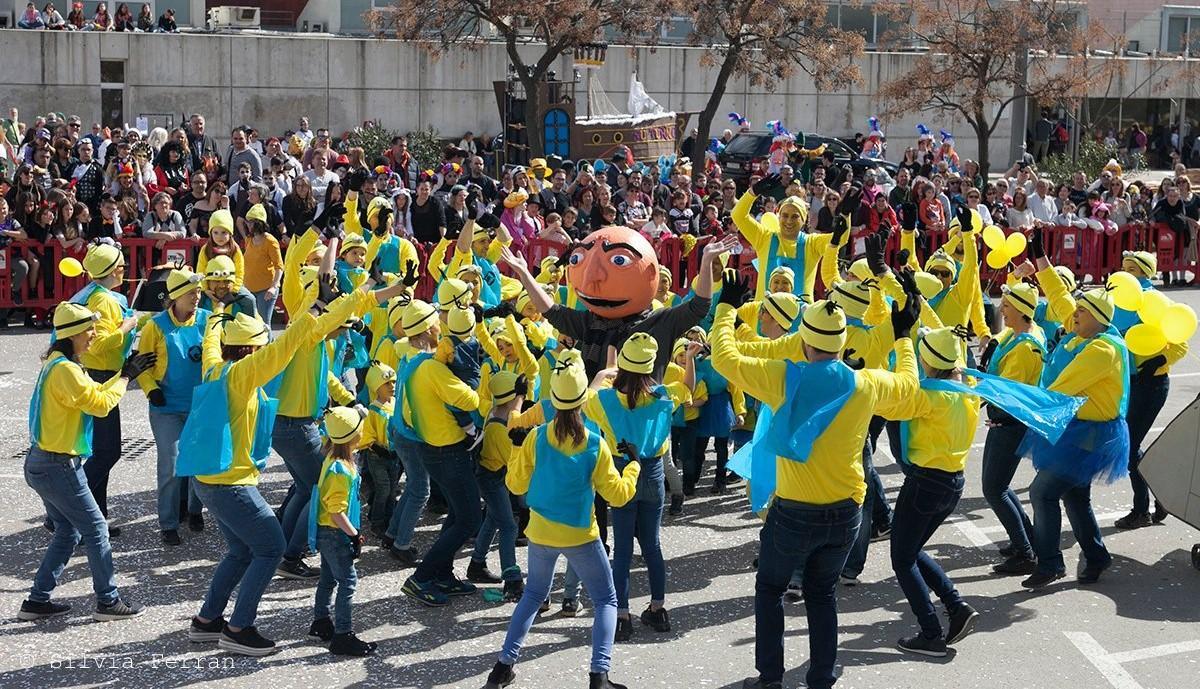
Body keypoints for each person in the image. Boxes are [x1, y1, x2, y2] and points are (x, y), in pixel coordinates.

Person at [709, 269, 922, 689]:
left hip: (793, 513)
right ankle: (821, 678)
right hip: (846, 513)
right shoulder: (865, 383)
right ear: (843, 343)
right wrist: (902, 337)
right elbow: (910, 387)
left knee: (770, 589)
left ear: (803, 339)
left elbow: (725, 360)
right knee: (822, 594)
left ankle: (770, 678)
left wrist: (726, 310)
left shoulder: (784, 377)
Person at [185, 277, 403, 656]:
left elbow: (209, 343)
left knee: (240, 550)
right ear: (250, 349)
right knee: (271, 547)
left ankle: (207, 621)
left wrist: (218, 313)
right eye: (259, 345)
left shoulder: (216, 368)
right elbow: (285, 345)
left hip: (211, 479)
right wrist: (311, 312)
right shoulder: (242, 374)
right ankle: (238, 628)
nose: (265, 347)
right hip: (230, 483)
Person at [482, 351, 640, 689]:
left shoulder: (536, 437)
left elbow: (515, 485)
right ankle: (600, 675)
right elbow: (619, 495)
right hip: (580, 534)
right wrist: (634, 466)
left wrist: (514, 450)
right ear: (585, 400)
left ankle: (502, 668)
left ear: (552, 398)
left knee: (533, 596)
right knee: (606, 600)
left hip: (539, 530)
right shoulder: (595, 444)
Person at [19, 304, 155, 622]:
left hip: (42, 462)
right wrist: (127, 376)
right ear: (74, 334)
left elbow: (94, 392)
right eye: (89, 330)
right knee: (95, 530)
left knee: (68, 530)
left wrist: (122, 373)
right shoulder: (66, 370)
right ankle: (108, 602)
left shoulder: (58, 362)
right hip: (58, 466)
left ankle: (37, 600)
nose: (94, 334)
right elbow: (101, 405)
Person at [1020, 230, 1129, 589]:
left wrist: (1016, 403)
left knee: (1042, 493)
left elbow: (1058, 388)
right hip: (1077, 429)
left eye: (1082, 312)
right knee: (1073, 495)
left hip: (1091, 435)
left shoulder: (1102, 350)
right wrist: (1041, 261)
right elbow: (1061, 297)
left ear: (1098, 319)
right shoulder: (1084, 330)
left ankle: (1050, 563)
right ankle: (1096, 556)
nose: (1073, 315)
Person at [584, 333, 693, 642]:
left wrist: (604, 373)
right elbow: (688, 387)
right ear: (651, 366)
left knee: (622, 550)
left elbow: (585, 396)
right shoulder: (663, 397)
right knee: (652, 545)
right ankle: (658, 609)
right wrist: (692, 358)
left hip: (622, 473)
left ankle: (621, 616)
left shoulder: (605, 400)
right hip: (654, 473)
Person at [881, 327, 981, 657]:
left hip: (926, 482)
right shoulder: (968, 389)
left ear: (927, 361)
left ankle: (931, 632)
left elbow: (891, 404)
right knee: (911, 549)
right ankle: (956, 606)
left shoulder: (929, 397)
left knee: (902, 557)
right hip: (952, 483)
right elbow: (948, 344)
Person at [391, 299, 483, 606]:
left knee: (458, 512)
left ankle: (442, 574)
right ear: (433, 327)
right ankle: (421, 577)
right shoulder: (431, 367)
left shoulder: (410, 359)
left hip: (434, 449)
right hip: (448, 451)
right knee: (469, 519)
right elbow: (470, 400)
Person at [64, 244, 138, 534]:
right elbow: (101, 342)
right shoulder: (103, 300)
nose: (124, 270)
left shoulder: (95, 294)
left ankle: (97, 518)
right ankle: (65, 507)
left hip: (98, 373)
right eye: (121, 266)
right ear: (110, 271)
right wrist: (129, 324)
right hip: (101, 377)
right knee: (107, 452)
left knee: (100, 450)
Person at [1111, 251, 1184, 529]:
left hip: (1152, 384)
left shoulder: (1156, 302)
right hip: (1128, 383)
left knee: (1130, 448)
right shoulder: (1119, 301)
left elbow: (1181, 343)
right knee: (1131, 446)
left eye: (1134, 269)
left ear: (1146, 273)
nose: (1126, 273)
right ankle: (1161, 498)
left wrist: (1160, 360)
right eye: (1124, 267)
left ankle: (1141, 510)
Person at [136, 268, 209, 546]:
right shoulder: (155, 326)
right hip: (165, 407)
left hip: (199, 406)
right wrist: (151, 389)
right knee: (170, 463)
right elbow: (141, 365)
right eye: (191, 293)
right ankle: (167, 523)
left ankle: (193, 510)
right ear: (176, 296)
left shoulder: (207, 321)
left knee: (197, 463)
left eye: (199, 292)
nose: (197, 297)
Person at [979, 283, 1046, 575]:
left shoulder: (1026, 347)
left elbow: (1008, 393)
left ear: (1020, 310)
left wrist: (975, 384)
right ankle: (1027, 539)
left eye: (1006, 305)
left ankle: (1026, 552)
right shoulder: (1016, 335)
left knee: (993, 489)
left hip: (1010, 423)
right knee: (999, 486)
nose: (1001, 310)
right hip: (1003, 421)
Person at [306, 406, 378, 657]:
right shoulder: (340, 470)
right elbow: (336, 510)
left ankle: (321, 621)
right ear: (352, 437)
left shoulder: (333, 458)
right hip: (336, 532)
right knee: (348, 582)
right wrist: (353, 535)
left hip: (329, 532)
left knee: (328, 578)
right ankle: (343, 635)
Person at [733, 173, 847, 300]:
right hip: (764, 316)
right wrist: (752, 193)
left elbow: (841, 239)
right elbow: (738, 216)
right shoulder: (764, 238)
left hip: (799, 318)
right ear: (779, 216)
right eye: (785, 215)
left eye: (795, 216)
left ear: (804, 220)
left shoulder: (812, 243)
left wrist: (846, 215)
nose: (788, 221)